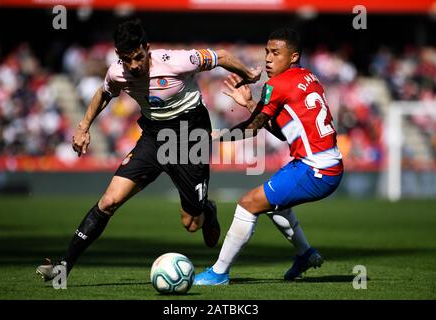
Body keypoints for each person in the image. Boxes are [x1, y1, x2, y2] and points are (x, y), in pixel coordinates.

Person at [36, 19, 261, 281]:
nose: (133, 66)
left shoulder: (177, 61)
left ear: (147, 48)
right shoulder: (117, 72)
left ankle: (206, 211)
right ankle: (63, 268)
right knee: (109, 201)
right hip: (153, 137)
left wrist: (248, 75)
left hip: (191, 139)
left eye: (138, 57)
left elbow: (220, 56)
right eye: (126, 59)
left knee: (191, 223)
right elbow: (104, 93)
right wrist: (83, 126)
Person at [194, 27, 344, 285]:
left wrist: (215, 136)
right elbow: (283, 132)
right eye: (266, 52)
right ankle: (305, 254)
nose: (268, 59)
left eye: (276, 53)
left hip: (315, 169)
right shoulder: (309, 77)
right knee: (275, 205)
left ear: (294, 56)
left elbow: (253, 128)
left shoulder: (278, 84)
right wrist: (252, 105)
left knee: (248, 203)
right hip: (322, 164)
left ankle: (219, 273)